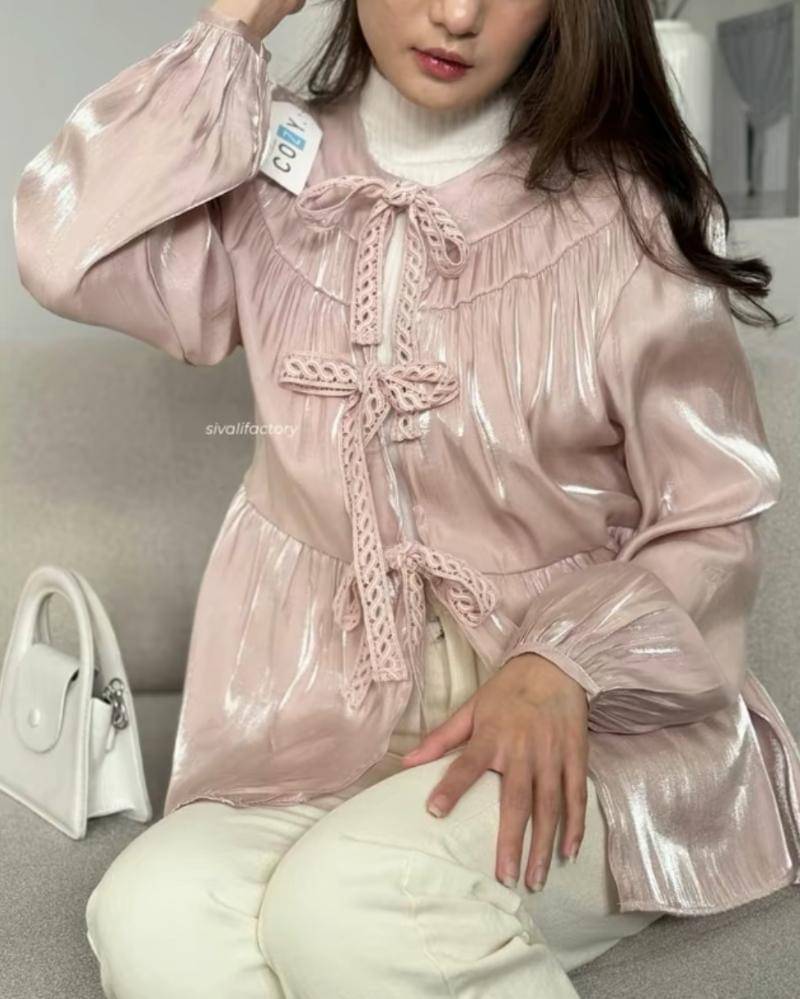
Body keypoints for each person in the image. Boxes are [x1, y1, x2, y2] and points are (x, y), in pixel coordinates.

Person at [13, 1, 800, 996]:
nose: (456, 14)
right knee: (151, 913)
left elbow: (714, 516)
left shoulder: (624, 215)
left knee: (355, 899)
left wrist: (562, 662)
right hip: (315, 718)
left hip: (588, 724)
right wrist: (235, 26)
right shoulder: (270, 177)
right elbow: (63, 252)